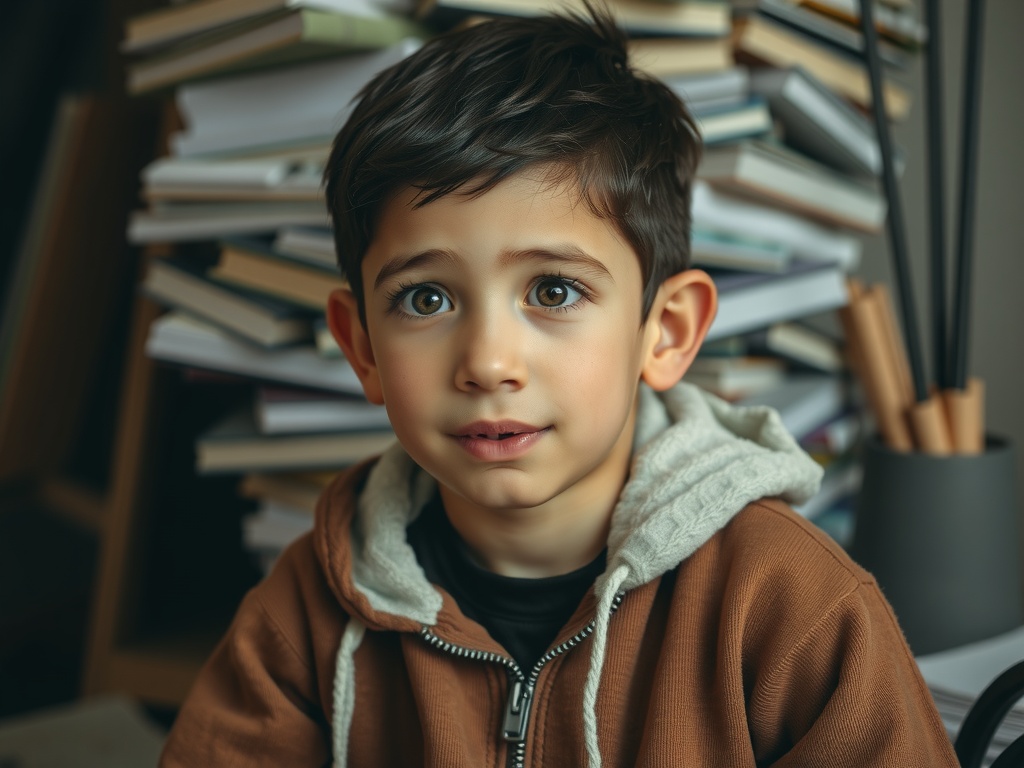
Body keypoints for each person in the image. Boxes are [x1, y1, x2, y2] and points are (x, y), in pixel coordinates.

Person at [160, 5, 959, 767]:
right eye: (425, 298)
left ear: (667, 332)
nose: (488, 363)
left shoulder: (792, 605)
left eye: (553, 292)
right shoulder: (307, 609)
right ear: (361, 346)